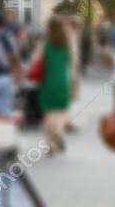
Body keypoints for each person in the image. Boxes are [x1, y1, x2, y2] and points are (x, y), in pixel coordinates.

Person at [36, 15, 73, 154]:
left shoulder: (45, 44)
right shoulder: (66, 43)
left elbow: (36, 60)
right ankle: (57, 133)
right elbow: (72, 64)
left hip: (47, 82)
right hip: (62, 83)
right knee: (60, 113)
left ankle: (49, 144)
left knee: (47, 115)